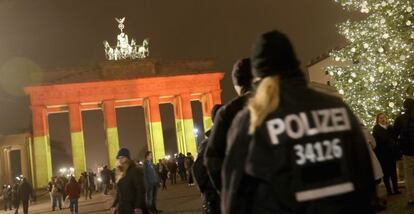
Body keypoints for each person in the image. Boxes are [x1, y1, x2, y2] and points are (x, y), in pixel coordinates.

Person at [222, 30, 376, 213]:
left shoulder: (251, 120)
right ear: (294, 64)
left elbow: (235, 193)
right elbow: (365, 176)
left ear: (258, 76)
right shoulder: (337, 108)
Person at [205, 58, 253, 193]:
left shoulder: (228, 112)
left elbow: (213, 161)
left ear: (237, 85)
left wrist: (229, 195)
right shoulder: (284, 102)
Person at [193, 104, 223, 214]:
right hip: (219, 199)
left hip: (215, 198)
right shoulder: (239, 139)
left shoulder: (206, 144)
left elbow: (198, 172)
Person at [112, 148, 148, 214]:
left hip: (133, 208)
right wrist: (114, 205)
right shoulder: (120, 173)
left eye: (122, 157)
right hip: (123, 208)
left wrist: (138, 207)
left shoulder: (134, 171)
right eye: (119, 158)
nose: (120, 160)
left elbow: (140, 190)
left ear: (127, 158)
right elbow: (119, 192)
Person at [372, 113, 400, 195]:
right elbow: (380, 140)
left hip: (391, 153)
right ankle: (389, 190)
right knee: (386, 173)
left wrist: (389, 128)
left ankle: (396, 189)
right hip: (382, 154)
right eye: (380, 118)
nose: (383, 119)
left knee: (393, 172)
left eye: (384, 117)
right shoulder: (376, 128)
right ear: (378, 120)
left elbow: (394, 137)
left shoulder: (389, 127)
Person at [394, 98, 414, 206]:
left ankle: (411, 198)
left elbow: (394, 134)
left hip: (407, 151)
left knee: (409, 175)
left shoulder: (400, 119)